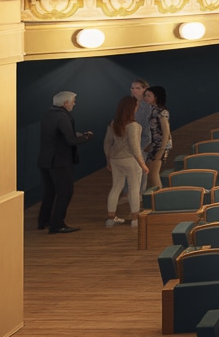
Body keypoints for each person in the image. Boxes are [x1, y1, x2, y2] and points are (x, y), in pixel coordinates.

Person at [36, 91, 94, 233]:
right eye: (73, 101)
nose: (74, 104)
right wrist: (86, 137)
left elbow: (57, 136)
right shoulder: (63, 117)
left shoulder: (48, 115)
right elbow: (71, 140)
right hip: (59, 161)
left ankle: (44, 220)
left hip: (45, 160)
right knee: (65, 192)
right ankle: (57, 224)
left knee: (50, 191)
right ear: (65, 103)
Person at [103, 96, 147, 227]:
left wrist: (108, 159)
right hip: (131, 160)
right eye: (136, 105)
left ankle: (111, 218)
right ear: (131, 108)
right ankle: (135, 219)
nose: (137, 107)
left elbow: (107, 143)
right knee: (134, 188)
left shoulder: (113, 123)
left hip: (115, 159)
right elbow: (134, 147)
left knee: (116, 187)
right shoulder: (134, 126)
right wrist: (142, 164)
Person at [143, 86, 172, 195]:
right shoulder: (152, 110)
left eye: (148, 96)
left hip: (161, 144)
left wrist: (162, 149)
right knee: (151, 173)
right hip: (155, 144)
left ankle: (160, 196)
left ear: (156, 97)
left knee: (153, 173)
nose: (145, 98)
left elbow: (166, 131)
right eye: (145, 95)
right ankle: (156, 196)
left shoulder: (161, 111)